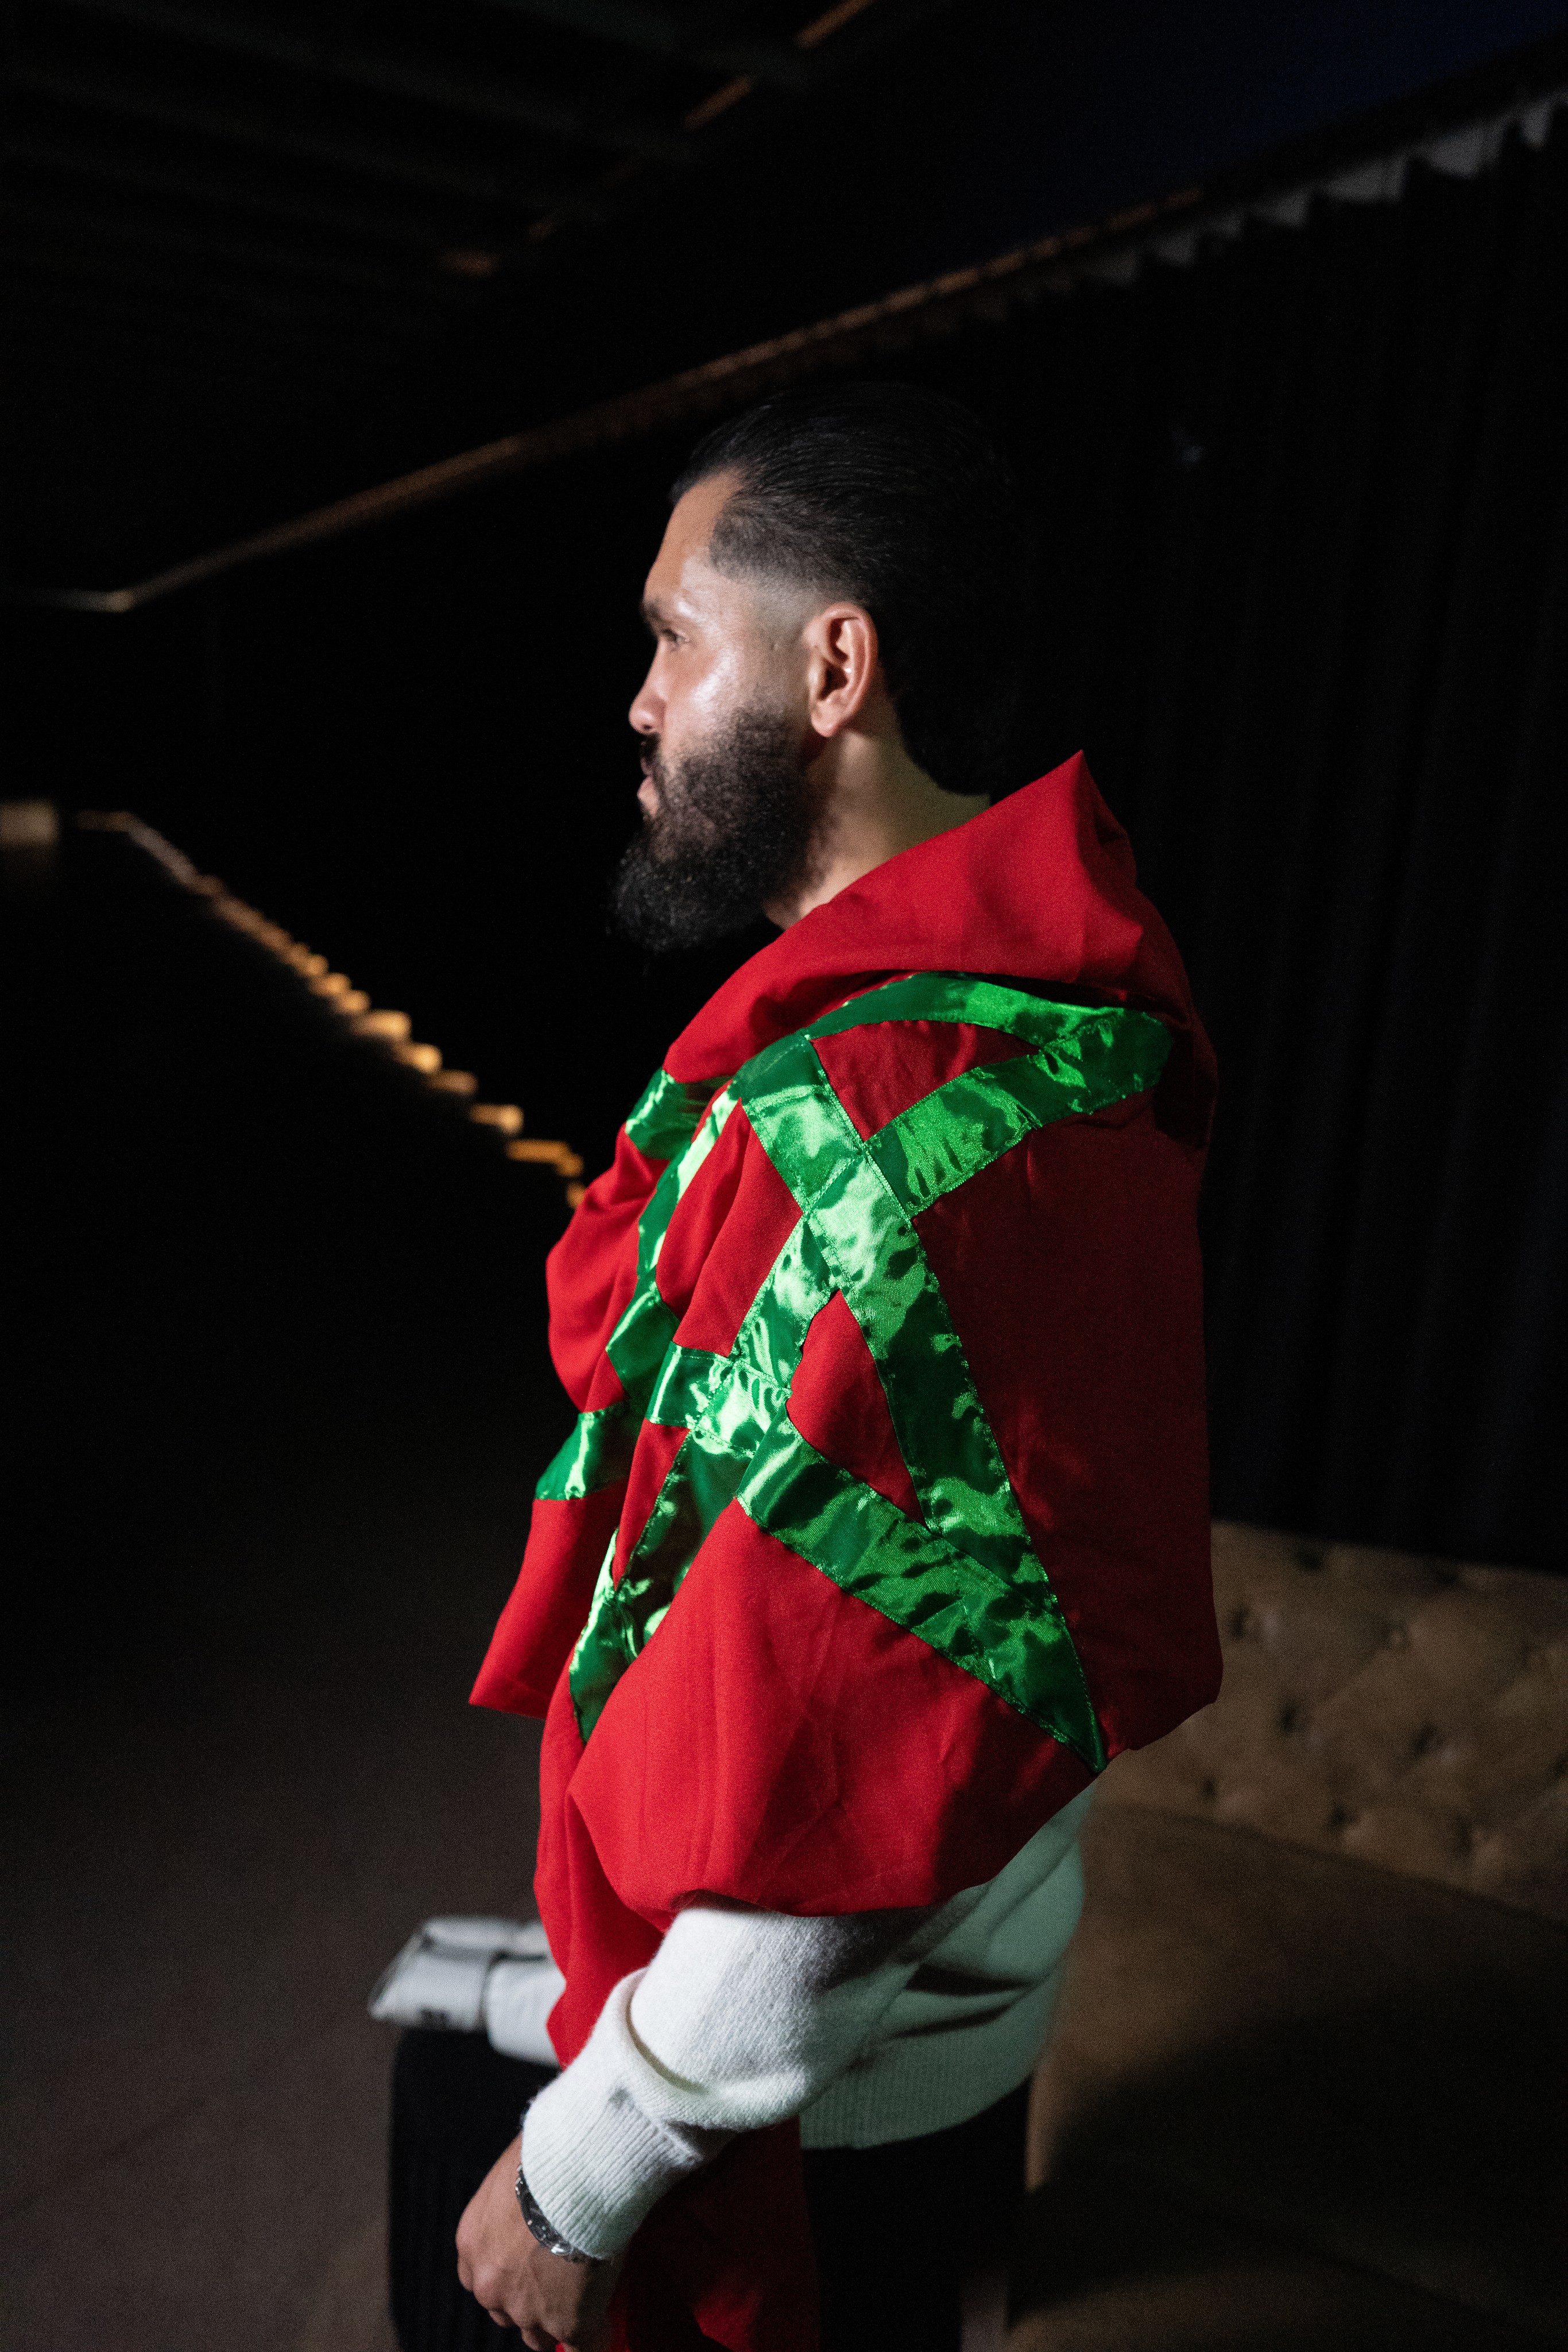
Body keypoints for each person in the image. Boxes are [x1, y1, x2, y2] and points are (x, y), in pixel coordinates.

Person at [454, 382, 1221, 2351]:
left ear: (832, 667)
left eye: (672, 637)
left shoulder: (918, 1112)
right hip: (849, 2018)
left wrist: (590, 2159)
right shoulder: (936, 1014)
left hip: (815, 2091)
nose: (640, 702)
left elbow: (873, 1754)